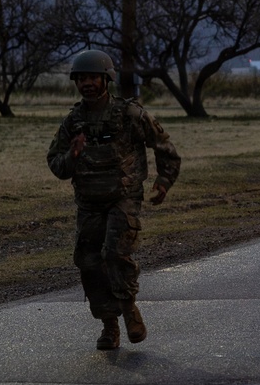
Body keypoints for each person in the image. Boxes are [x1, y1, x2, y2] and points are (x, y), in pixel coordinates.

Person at [47, 49, 181, 350]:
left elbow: (164, 145)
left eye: (93, 77)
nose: (87, 84)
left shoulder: (130, 114)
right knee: (89, 262)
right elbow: (57, 166)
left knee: (115, 254)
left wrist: (163, 181)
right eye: (81, 79)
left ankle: (129, 309)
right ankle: (109, 325)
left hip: (124, 197)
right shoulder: (73, 122)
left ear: (106, 79)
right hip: (89, 203)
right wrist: (74, 153)